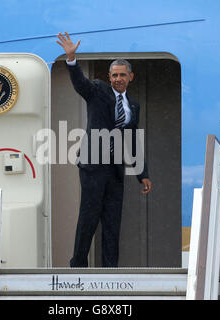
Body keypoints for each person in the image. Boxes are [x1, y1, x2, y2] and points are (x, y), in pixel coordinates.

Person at [57, 32, 152, 267]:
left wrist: (143, 174)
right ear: (109, 77)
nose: (118, 78)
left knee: (112, 224)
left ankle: (111, 272)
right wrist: (72, 60)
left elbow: (132, 141)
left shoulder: (134, 106)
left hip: (115, 171)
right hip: (92, 166)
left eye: (122, 75)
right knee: (88, 219)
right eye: (114, 75)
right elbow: (80, 84)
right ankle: (78, 265)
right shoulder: (98, 90)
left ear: (131, 77)